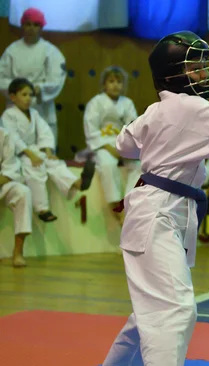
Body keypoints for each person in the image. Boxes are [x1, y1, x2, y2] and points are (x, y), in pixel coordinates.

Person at [83, 31, 209, 366]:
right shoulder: (192, 109)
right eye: (196, 67)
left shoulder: (157, 109)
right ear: (173, 75)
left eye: (204, 66)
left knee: (151, 309)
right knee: (174, 310)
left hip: (162, 210)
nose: (205, 74)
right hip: (158, 214)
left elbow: (125, 142)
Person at [1, 78, 94, 222]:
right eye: (24, 94)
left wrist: (49, 152)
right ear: (12, 97)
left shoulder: (34, 114)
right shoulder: (8, 115)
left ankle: (78, 183)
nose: (28, 99)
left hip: (35, 151)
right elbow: (13, 138)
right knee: (35, 168)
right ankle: (42, 208)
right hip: (18, 155)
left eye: (31, 95)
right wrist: (30, 154)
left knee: (54, 164)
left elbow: (45, 133)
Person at [83, 66, 141, 223]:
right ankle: (116, 205)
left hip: (122, 143)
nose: (115, 85)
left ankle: (129, 203)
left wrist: (126, 146)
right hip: (103, 145)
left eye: (119, 82)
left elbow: (133, 126)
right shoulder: (95, 103)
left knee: (139, 165)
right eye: (111, 81)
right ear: (104, 85)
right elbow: (91, 130)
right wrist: (110, 148)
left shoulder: (127, 103)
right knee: (107, 164)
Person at [0, 7, 67, 143]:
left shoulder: (51, 51)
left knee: (44, 150)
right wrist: (18, 91)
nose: (31, 28)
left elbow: (57, 79)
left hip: (41, 108)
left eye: (36, 25)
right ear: (22, 25)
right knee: (14, 150)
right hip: (15, 108)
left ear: (41, 27)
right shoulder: (12, 51)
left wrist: (39, 88)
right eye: (28, 24)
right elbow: (1, 78)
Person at [0, 127, 32, 267]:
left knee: (23, 192)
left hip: (1, 182)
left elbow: (10, 170)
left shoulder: (3, 135)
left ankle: (18, 252)